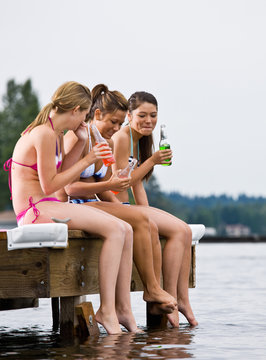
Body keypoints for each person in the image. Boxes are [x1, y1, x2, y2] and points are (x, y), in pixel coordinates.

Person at [3, 81, 139, 335]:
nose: (84, 121)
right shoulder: (43, 133)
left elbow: (62, 172)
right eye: (85, 116)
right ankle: (106, 311)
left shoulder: (52, 134)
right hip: (35, 210)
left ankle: (122, 308)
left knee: (125, 228)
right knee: (115, 230)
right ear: (76, 110)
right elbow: (51, 185)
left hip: (47, 206)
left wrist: (80, 142)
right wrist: (88, 158)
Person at [63, 84, 177, 316]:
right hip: (71, 206)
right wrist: (112, 188)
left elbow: (106, 185)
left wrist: (120, 206)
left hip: (90, 203)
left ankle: (142, 298)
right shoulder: (78, 139)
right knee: (137, 220)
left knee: (141, 218)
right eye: (113, 122)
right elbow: (69, 188)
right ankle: (150, 290)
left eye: (118, 123)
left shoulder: (106, 142)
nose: (116, 128)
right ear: (96, 115)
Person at [112, 91, 198, 327]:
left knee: (184, 231)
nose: (148, 120)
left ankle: (179, 299)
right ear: (129, 115)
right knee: (175, 229)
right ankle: (166, 297)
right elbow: (124, 181)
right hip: (116, 206)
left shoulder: (139, 139)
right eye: (142, 115)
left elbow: (138, 185)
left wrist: (147, 213)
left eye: (153, 115)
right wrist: (153, 161)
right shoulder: (121, 137)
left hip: (131, 207)